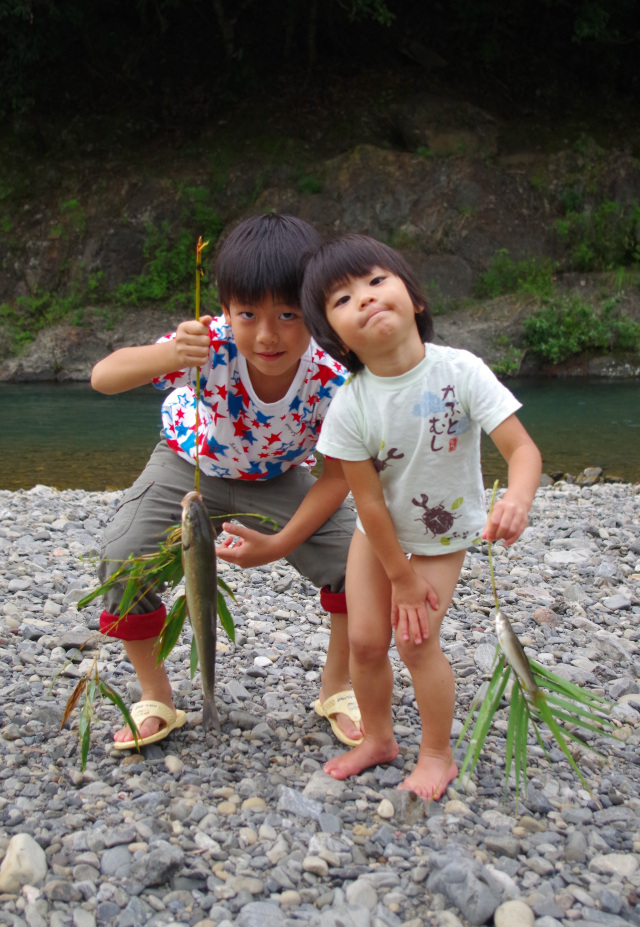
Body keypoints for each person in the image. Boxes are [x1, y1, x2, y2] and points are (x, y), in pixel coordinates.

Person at [91, 214, 362, 750]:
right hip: (187, 466)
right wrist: (171, 354)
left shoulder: (334, 374)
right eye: (248, 314)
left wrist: (280, 545)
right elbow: (104, 377)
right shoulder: (207, 345)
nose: (267, 334)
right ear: (224, 310)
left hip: (280, 477)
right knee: (121, 557)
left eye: (288, 314)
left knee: (360, 563)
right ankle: (155, 696)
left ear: (315, 309)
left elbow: (337, 478)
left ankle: (337, 686)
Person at [301, 234, 542, 799]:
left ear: (415, 299)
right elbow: (367, 503)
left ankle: (437, 753)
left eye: (375, 281)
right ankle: (378, 739)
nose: (364, 298)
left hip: (443, 535)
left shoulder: (460, 371)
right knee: (365, 641)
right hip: (378, 534)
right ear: (336, 339)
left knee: (415, 643)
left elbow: (522, 450)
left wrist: (517, 499)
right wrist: (399, 578)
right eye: (342, 299)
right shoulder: (351, 404)